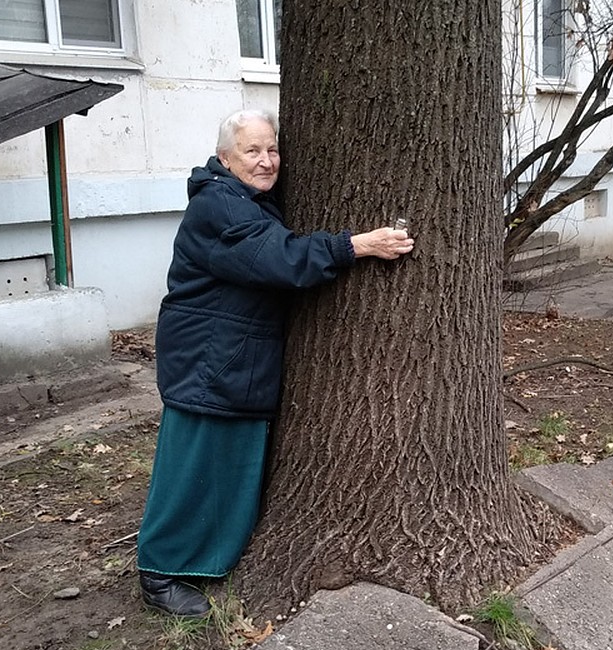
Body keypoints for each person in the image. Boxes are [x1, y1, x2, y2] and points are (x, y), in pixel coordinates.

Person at [136, 109, 414, 617]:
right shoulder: (219, 206)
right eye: (252, 152)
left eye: (272, 150)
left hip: (231, 358)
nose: (266, 162)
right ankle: (159, 573)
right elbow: (276, 258)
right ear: (224, 159)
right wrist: (357, 245)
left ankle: (205, 561)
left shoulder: (247, 199)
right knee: (192, 465)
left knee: (229, 465)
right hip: (210, 360)